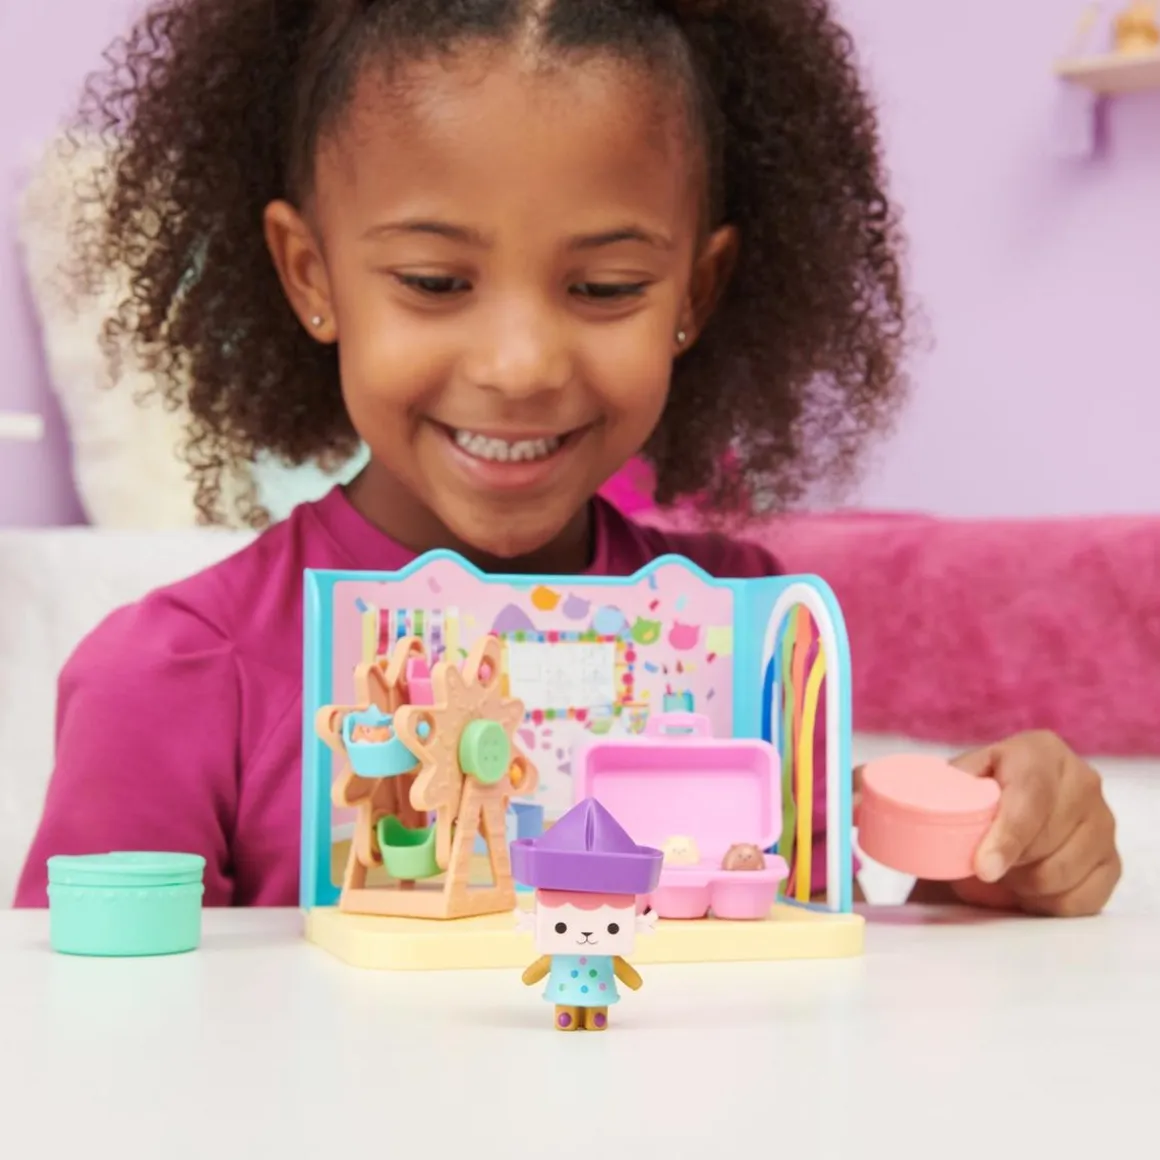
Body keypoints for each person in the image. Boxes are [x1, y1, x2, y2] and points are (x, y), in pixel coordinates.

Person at [15, 0, 1119, 915]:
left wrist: (976, 882)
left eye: (603, 288)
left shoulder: (751, 638)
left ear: (695, 294)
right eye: (434, 282)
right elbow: (87, 1046)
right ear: (310, 275)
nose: (520, 365)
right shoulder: (172, 680)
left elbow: (814, 997)